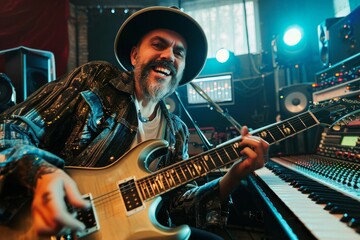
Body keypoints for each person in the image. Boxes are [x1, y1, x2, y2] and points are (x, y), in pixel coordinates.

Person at [0, 6, 268, 240]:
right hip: (47, 223)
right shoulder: (96, 81)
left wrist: (235, 174)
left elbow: (179, 206)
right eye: (158, 44)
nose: (169, 55)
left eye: (179, 52)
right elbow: (10, 127)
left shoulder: (176, 131)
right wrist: (42, 174)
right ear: (134, 56)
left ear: (182, 70)